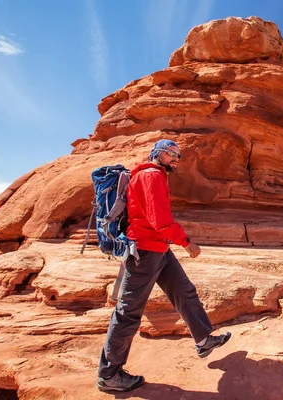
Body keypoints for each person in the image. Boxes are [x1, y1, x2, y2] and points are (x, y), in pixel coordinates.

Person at [97, 139, 231, 392]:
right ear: (158, 154)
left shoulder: (155, 175)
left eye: (178, 155)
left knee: (184, 291)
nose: (176, 159)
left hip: (158, 247)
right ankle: (110, 374)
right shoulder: (151, 175)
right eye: (172, 154)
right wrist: (186, 242)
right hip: (145, 250)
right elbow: (159, 218)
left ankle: (203, 339)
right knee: (128, 312)